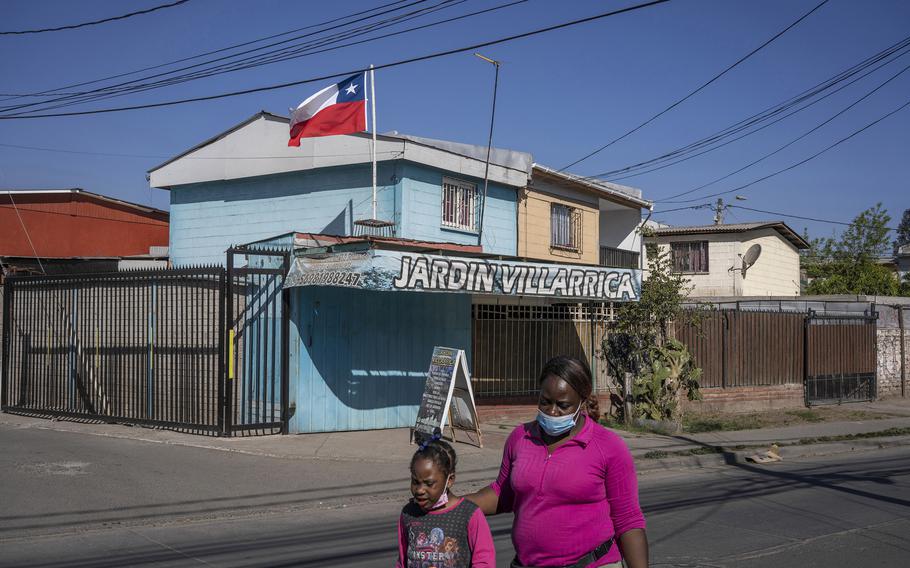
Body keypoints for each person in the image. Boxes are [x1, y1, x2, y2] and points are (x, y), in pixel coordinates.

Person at [467, 356, 648, 568]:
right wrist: (452, 504)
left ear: (582, 401)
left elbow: (628, 520)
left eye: (563, 405)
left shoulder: (608, 447)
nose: (552, 411)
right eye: (545, 401)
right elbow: (503, 493)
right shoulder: (520, 438)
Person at [397, 437, 495, 568]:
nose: (420, 490)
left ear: (449, 480)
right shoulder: (408, 513)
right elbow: (402, 560)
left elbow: (484, 561)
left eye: (429, 483)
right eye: (415, 482)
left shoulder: (468, 514)